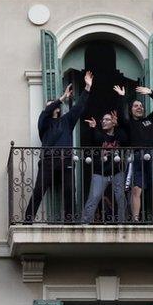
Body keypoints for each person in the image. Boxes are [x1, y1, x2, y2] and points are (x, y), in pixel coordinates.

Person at [24, 71, 93, 223]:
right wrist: (61, 98)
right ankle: (27, 220)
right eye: (51, 105)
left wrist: (87, 88)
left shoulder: (66, 121)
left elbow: (78, 108)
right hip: (48, 161)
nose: (53, 106)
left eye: (54, 105)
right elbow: (46, 111)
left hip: (66, 160)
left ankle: (70, 221)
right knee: (39, 190)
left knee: (69, 190)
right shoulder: (44, 123)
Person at [114, 85, 153, 222]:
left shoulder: (150, 120)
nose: (139, 107)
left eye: (141, 106)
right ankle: (136, 220)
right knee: (136, 189)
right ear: (131, 110)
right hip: (137, 156)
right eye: (136, 106)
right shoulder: (129, 123)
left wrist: (151, 93)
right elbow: (120, 115)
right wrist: (121, 97)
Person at [81, 111, 129, 223]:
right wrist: (93, 128)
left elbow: (125, 140)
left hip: (117, 171)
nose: (104, 121)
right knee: (94, 197)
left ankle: (122, 223)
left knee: (121, 198)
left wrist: (118, 125)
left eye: (107, 119)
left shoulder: (119, 135)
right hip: (100, 172)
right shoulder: (99, 135)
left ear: (113, 122)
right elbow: (93, 140)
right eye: (103, 120)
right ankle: (84, 224)